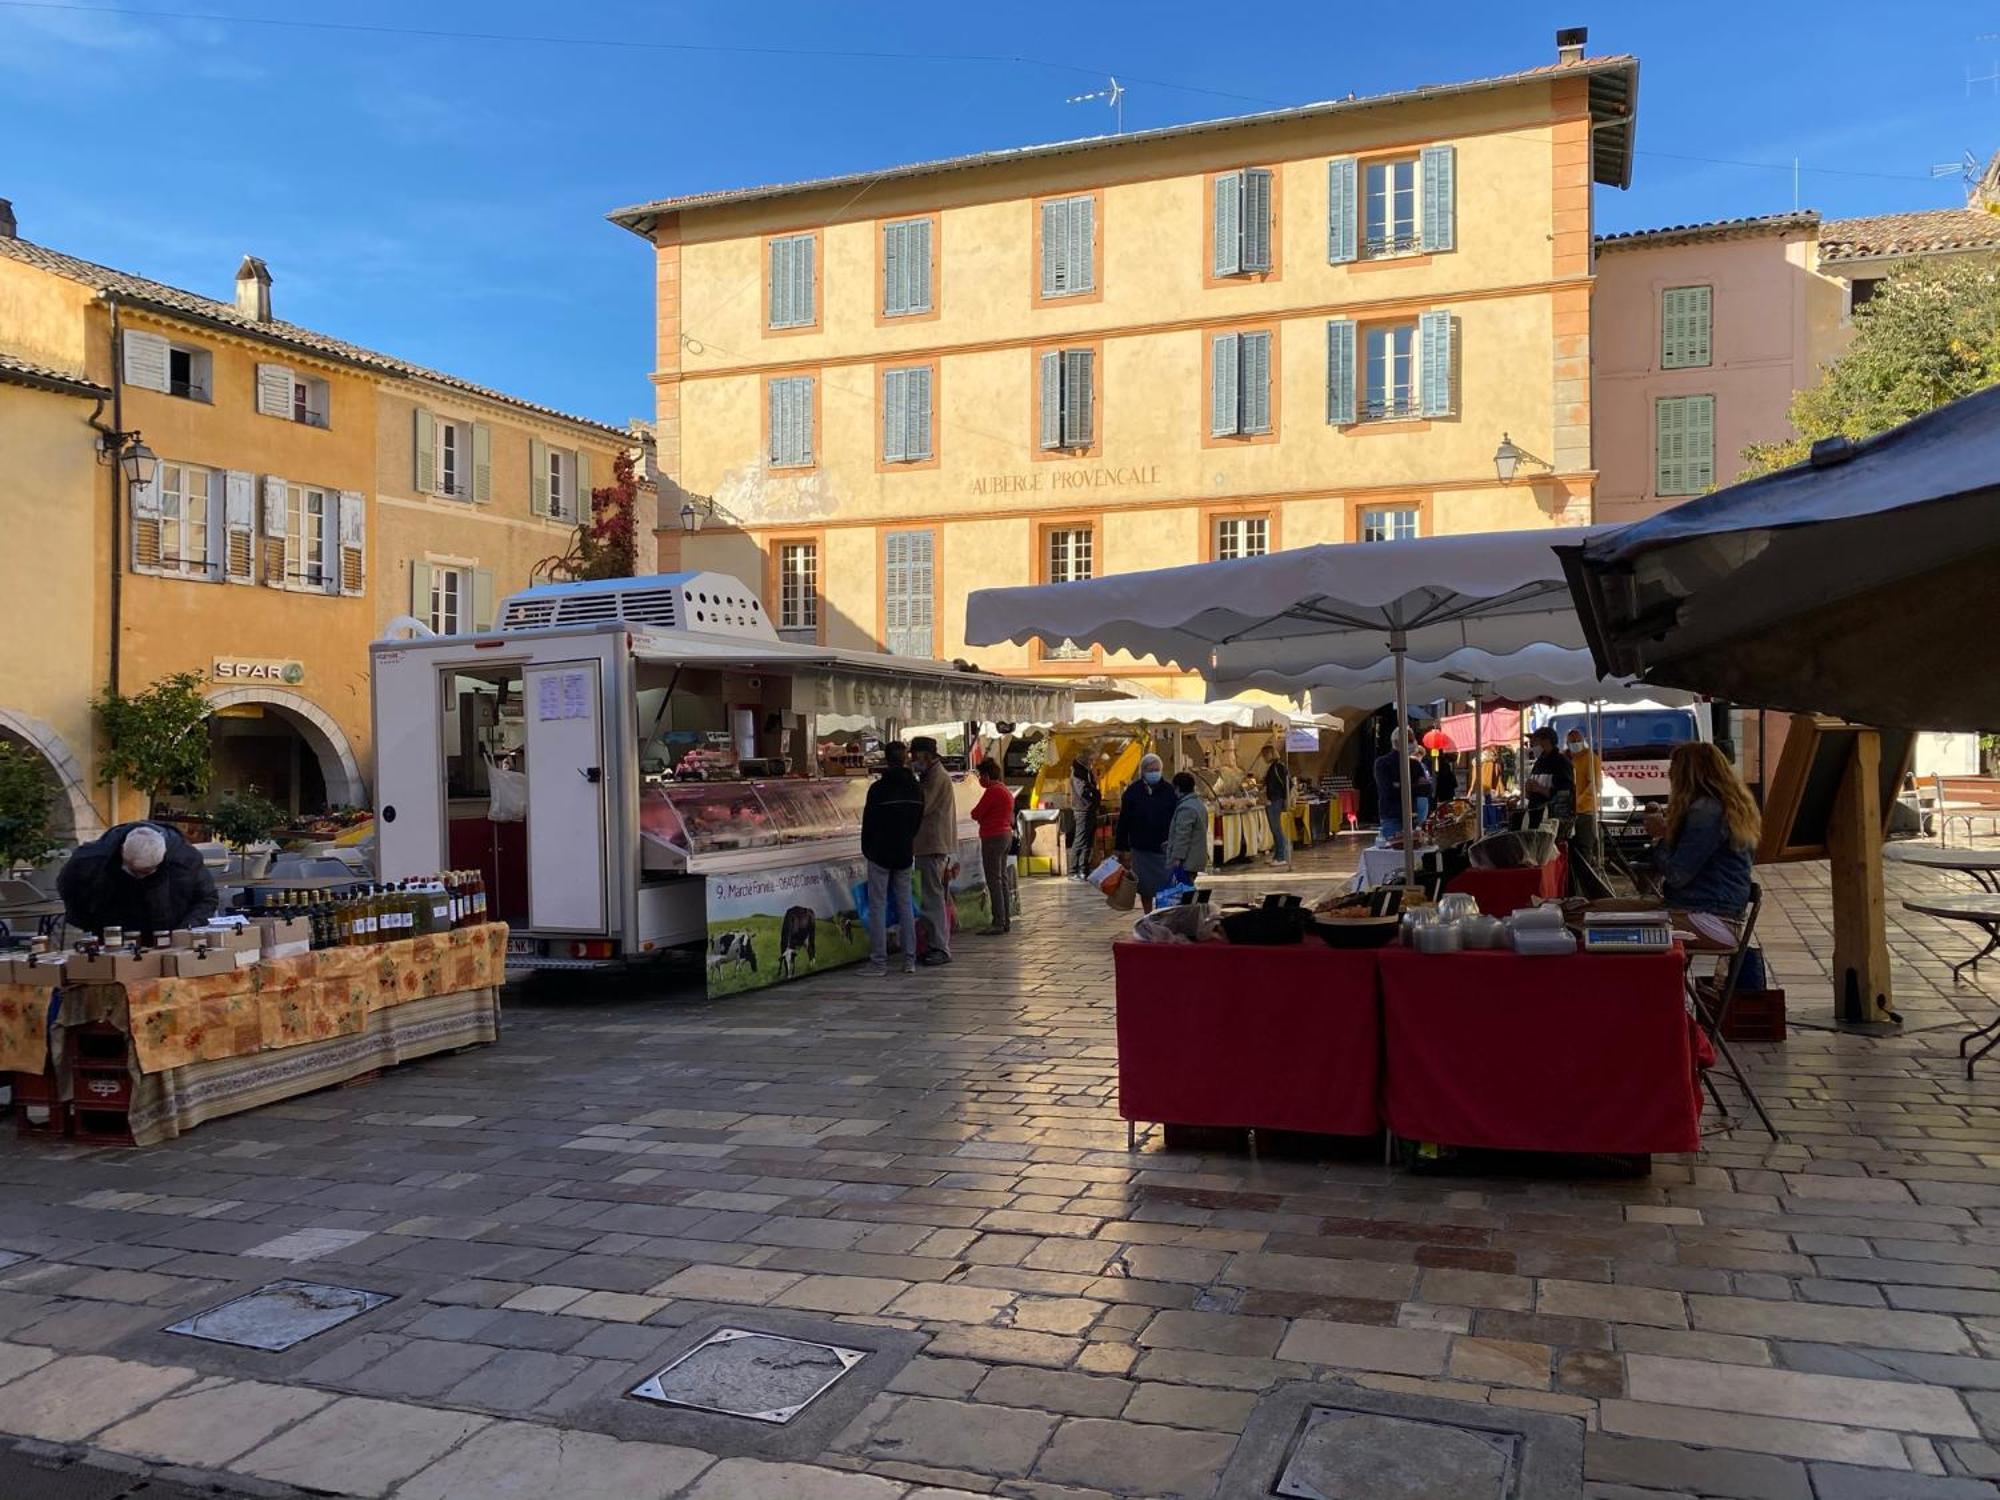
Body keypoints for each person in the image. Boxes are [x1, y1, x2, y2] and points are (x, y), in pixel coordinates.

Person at [1643, 742, 1758, 916]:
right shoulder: (1725, 807)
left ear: (1685, 775)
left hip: (1706, 911)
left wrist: (1661, 837)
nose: (1669, 775)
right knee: (1596, 910)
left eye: (1673, 770)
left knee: (1602, 921)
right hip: (1716, 906)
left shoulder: (1706, 811)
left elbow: (1677, 875)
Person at [57, 821, 218, 941]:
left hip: (168, 938)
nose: (140, 877)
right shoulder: (91, 860)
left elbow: (207, 898)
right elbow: (68, 888)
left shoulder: (185, 859)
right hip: (113, 939)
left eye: (147, 871)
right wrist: (93, 925)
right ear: (122, 852)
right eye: (134, 871)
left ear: (162, 858)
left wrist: (183, 931)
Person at [860, 741, 924, 975]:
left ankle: (878, 962)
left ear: (886, 760)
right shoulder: (916, 789)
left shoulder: (878, 790)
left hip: (880, 854)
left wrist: (869, 850)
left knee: (877, 906)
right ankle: (909, 961)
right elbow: (918, 820)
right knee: (905, 904)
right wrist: (907, 840)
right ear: (905, 758)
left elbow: (868, 824)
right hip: (904, 852)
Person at [907, 736, 956, 966]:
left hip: (932, 843)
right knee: (933, 894)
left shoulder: (936, 777)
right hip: (930, 843)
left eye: (915, 757)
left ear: (926, 755)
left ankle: (939, 947)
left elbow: (922, 805)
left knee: (932, 896)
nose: (913, 761)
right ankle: (935, 943)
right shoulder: (932, 775)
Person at [1115, 753, 1179, 910]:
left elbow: (1177, 818)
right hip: (1141, 849)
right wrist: (1121, 848)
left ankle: (1162, 913)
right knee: (1145, 887)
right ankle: (1148, 914)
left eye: (1157, 769)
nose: (1154, 773)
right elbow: (1124, 821)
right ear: (1143, 771)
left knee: (1165, 885)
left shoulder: (1169, 791)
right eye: (1150, 770)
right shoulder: (1132, 792)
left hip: (1164, 848)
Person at [971, 758, 1016, 935]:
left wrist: (982, 817)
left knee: (994, 880)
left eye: (981, 775)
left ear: (987, 775)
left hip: (993, 837)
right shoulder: (1005, 790)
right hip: (1005, 835)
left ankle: (998, 921)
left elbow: (976, 813)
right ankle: (1005, 919)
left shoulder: (992, 792)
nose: (980, 779)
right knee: (1002, 879)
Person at [1372, 729, 1432, 845]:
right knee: (1394, 853)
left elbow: (1426, 790)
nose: (1412, 743)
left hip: (1411, 816)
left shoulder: (1415, 765)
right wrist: (1414, 787)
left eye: (1412, 740)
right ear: (1397, 742)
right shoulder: (1383, 763)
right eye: (1409, 740)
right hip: (1393, 815)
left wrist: (1399, 785)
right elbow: (1387, 790)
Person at [1523, 726, 1575, 831]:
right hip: (1535, 818)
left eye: (1534, 741)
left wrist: (1539, 789)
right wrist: (1527, 790)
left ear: (1546, 741)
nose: (1531, 745)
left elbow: (1564, 794)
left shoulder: (1561, 762)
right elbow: (1531, 793)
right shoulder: (1539, 762)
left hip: (1552, 822)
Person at [1164, 770, 1210, 884]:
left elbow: (1183, 836)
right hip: (1195, 858)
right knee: (1187, 890)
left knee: (1183, 892)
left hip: (1186, 862)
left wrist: (1176, 858)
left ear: (1178, 788)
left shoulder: (1186, 808)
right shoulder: (1198, 804)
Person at [1566, 728, 1601, 868]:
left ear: (1583, 741)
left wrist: (1578, 802)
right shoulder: (1567, 758)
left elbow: (1595, 785)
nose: (1575, 743)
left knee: (1584, 849)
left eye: (1578, 741)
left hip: (1585, 812)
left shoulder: (1591, 758)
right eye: (1572, 741)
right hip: (1569, 812)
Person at [1257, 743, 1292, 868]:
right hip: (1273, 800)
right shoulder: (1273, 767)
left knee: (1276, 829)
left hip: (1275, 801)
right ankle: (1278, 855)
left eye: (1263, 755)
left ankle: (1281, 856)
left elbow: (1287, 784)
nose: (1263, 758)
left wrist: (1284, 798)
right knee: (1274, 829)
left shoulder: (1278, 767)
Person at [1067, 752, 1101, 878]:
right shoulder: (1078, 774)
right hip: (1082, 810)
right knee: (1080, 840)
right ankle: (1073, 870)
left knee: (1088, 841)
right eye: (1090, 761)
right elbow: (1082, 791)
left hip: (1089, 809)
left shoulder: (1086, 773)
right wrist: (1094, 791)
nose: (1092, 763)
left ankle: (1084, 868)